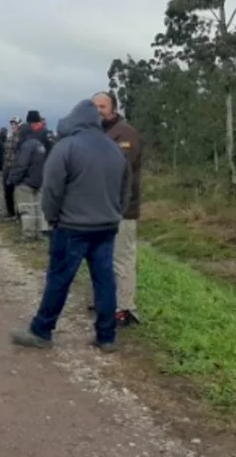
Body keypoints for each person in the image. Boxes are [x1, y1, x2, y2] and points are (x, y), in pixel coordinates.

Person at [11, 99, 131, 353]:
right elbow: (126, 189)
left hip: (72, 226)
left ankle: (42, 331)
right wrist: (114, 214)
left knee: (59, 279)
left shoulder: (67, 146)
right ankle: (106, 336)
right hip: (106, 226)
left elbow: (52, 189)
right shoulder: (114, 149)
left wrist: (52, 218)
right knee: (104, 280)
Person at [93, 91, 144, 327]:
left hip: (122, 208)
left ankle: (125, 307)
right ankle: (106, 301)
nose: (99, 110)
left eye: (103, 106)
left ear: (113, 108)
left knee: (122, 258)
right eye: (95, 106)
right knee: (102, 258)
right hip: (100, 207)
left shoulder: (126, 133)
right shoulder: (95, 133)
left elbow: (120, 168)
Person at [8, 110, 49, 240]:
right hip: (39, 179)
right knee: (37, 208)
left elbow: (22, 165)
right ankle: (38, 232)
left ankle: (28, 234)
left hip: (26, 181)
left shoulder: (26, 145)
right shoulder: (40, 145)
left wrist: (13, 178)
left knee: (26, 209)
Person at [2, 118, 21, 219]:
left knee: (15, 191)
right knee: (7, 191)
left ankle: (17, 213)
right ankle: (10, 212)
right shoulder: (9, 137)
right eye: (12, 124)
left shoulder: (21, 137)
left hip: (15, 167)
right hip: (7, 166)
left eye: (15, 124)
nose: (13, 126)